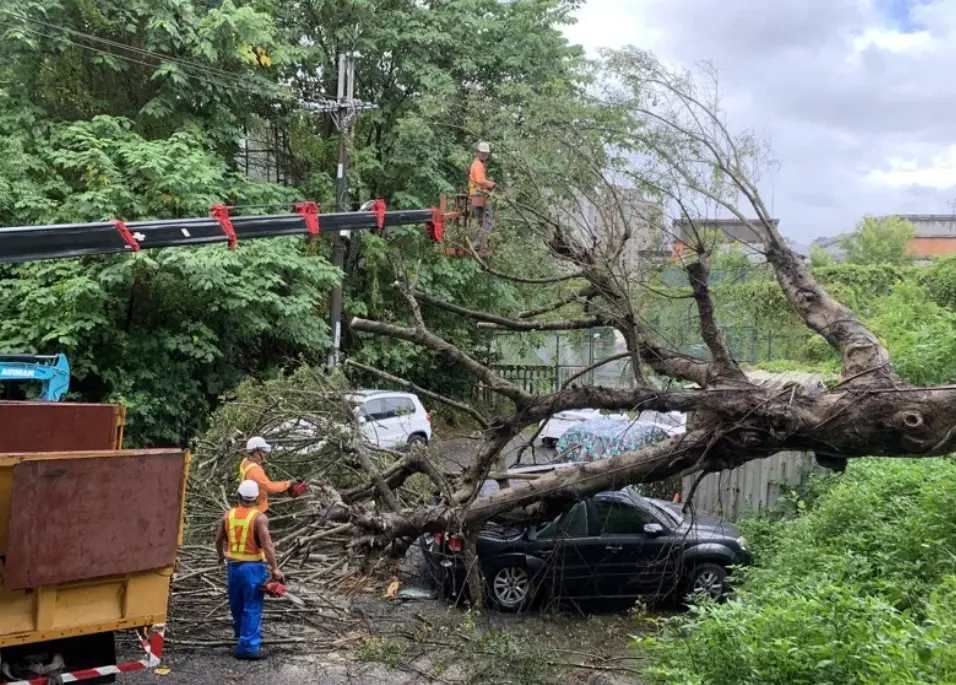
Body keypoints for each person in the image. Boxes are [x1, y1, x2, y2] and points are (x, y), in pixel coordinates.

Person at [216, 480, 284, 660]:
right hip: (253, 568)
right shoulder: (259, 518)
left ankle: (240, 635)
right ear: (255, 499)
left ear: (238, 496)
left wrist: (221, 556)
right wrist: (275, 569)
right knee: (252, 606)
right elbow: (267, 545)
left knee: (236, 603)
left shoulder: (227, 516)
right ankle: (248, 648)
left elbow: (218, 540)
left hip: (233, 567)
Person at [239, 436, 292, 513]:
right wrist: (288, 484)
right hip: (256, 508)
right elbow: (269, 487)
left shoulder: (245, 462)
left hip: (246, 503)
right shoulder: (255, 470)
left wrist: (260, 465)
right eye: (264, 452)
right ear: (256, 452)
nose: (265, 454)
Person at [468, 141, 496, 242]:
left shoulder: (477, 164)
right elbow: (480, 180)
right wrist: (491, 184)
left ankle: (477, 241)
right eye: (483, 153)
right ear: (478, 153)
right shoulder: (478, 164)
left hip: (474, 194)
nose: (484, 155)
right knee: (489, 221)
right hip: (478, 194)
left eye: (486, 153)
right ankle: (479, 242)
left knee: (480, 221)